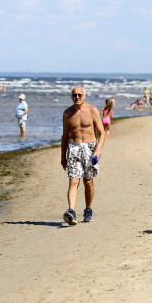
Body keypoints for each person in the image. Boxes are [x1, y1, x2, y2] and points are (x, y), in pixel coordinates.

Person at [61, 87, 107, 225]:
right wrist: (63, 156)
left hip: (90, 148)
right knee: (73, 181)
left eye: (79, 94)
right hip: (73, 148)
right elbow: (64, 136)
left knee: (88, 182)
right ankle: (71, 211)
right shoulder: (68, 113)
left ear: (84, 96)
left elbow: (102, 132)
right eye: (74, 95)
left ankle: (88, 209)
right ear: (71, 96)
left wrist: (98, 149)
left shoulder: (92, 110)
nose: (77, 97)